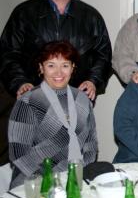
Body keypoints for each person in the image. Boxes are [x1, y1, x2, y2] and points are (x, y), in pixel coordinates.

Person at [0, 0, 112, 101]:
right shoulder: (24, 13)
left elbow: (103, 55)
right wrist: (20, 82)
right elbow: (7, 53)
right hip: (33, 99)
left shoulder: (91, 17)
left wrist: (93, 81)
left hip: (77, 99)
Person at [8, 41, 98, 188]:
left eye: (65, 65)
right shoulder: (28, 102)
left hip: (76, 179)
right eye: (51, 65)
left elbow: (91, 144)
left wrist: (80, 176)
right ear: (41, 67)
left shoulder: (82, 99)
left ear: (72, 67)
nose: (59, 72)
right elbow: (19, 154)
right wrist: (51, 184)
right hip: (34, 183)